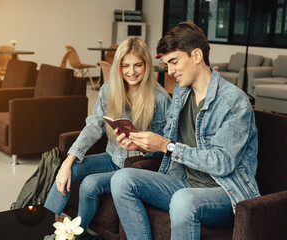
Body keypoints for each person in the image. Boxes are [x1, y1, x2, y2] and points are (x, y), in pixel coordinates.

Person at [111, 22, 260, 240]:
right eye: (167, 64)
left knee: (183, 200)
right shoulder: (182, 93)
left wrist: (166, 145)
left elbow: (222, 162)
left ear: (197, 56)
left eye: (174, 62)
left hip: (225, 192)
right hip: (184, 183)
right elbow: (169, 144)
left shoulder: (234, 102)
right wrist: (142, 146)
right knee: (121, 179)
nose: (169, 71)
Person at [44, 37, 171, 240]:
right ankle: (46, 227)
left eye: (138, 65)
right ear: (118, 67)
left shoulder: (160, 98)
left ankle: (74, 235)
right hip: (113, 156)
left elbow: (167, 146)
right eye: (125, 66)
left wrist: (141, 146)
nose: (132, 71)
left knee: (90, 184)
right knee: (69, 169)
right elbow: (93, 127)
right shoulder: (109, 89)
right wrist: (68, 161)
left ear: (147, 65)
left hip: (136, 167)